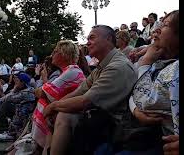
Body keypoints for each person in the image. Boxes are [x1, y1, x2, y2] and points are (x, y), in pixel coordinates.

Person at [43, 25, 137, 155]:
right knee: (57, 114)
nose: (87, 42)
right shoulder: (102, 66)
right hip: (101, 119)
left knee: (65, 115)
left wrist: (54, 106)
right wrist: (54, 109)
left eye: (92, 38)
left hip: (117, 127)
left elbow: (85, 101)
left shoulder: (117, 66)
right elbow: (78, 92)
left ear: (109, 39)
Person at [129, 10, 179, 155]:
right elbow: (133, 91)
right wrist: (136, 110)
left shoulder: (174, 70)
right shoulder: (159, 63)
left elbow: (142, 101)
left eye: (165, 25)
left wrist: (145, 62)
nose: (156, 30)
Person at [32, 40, 86, 153]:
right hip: (55, 116)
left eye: (55, 51)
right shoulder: (68, 71)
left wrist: (41, 79)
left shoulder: (72, 71)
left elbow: (41, 93)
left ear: (64, 54)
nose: (52, 55)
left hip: (60, 117)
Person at [0, 72, 36, 141]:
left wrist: (14, 90)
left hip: (26, 115)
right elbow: (5, 98)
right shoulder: (23, 89)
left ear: (22, 82)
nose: (15, 83)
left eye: (17, 81)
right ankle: (7, 130)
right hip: (22, 113)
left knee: (7, 105)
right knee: (6, 104)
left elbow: (9, 98)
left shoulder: (27, 92)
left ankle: (10, 133)